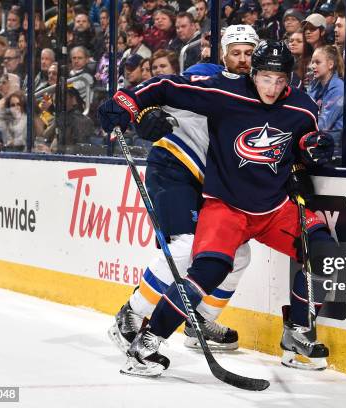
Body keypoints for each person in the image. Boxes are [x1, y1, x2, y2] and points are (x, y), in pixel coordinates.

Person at [99, 40, 336, 377]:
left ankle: (296, 333)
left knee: (327, 253)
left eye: (280, 80)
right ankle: (147, 343)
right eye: (266, 78)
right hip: (226, 208)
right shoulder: (226, 90)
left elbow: (302, 143)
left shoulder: (303, 107)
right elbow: (166, 86)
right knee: (207, 269)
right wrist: (128, 102)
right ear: (253, 73)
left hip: (274, 208)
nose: (272, 87)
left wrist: (310, 151)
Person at [107, 26, 262, 354]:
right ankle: (131, 314)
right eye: (236, 52)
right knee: (185, 248)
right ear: (224, 54)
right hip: (174, 169)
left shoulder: (264, 91)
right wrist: (145, 115)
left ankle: (200, 320)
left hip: (214, 186)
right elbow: (163, 92)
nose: (243, 59)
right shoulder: (206, 74)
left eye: (249, 53)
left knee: (239, 254)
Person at [308, 45, 344, 163]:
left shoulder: (339, 88)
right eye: (312, 62)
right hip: (318, 141)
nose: (313, 66)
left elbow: (324, 125)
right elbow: (306, 111)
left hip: (336, 147)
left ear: (330, 64)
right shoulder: (315, 85)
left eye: (318, 62)